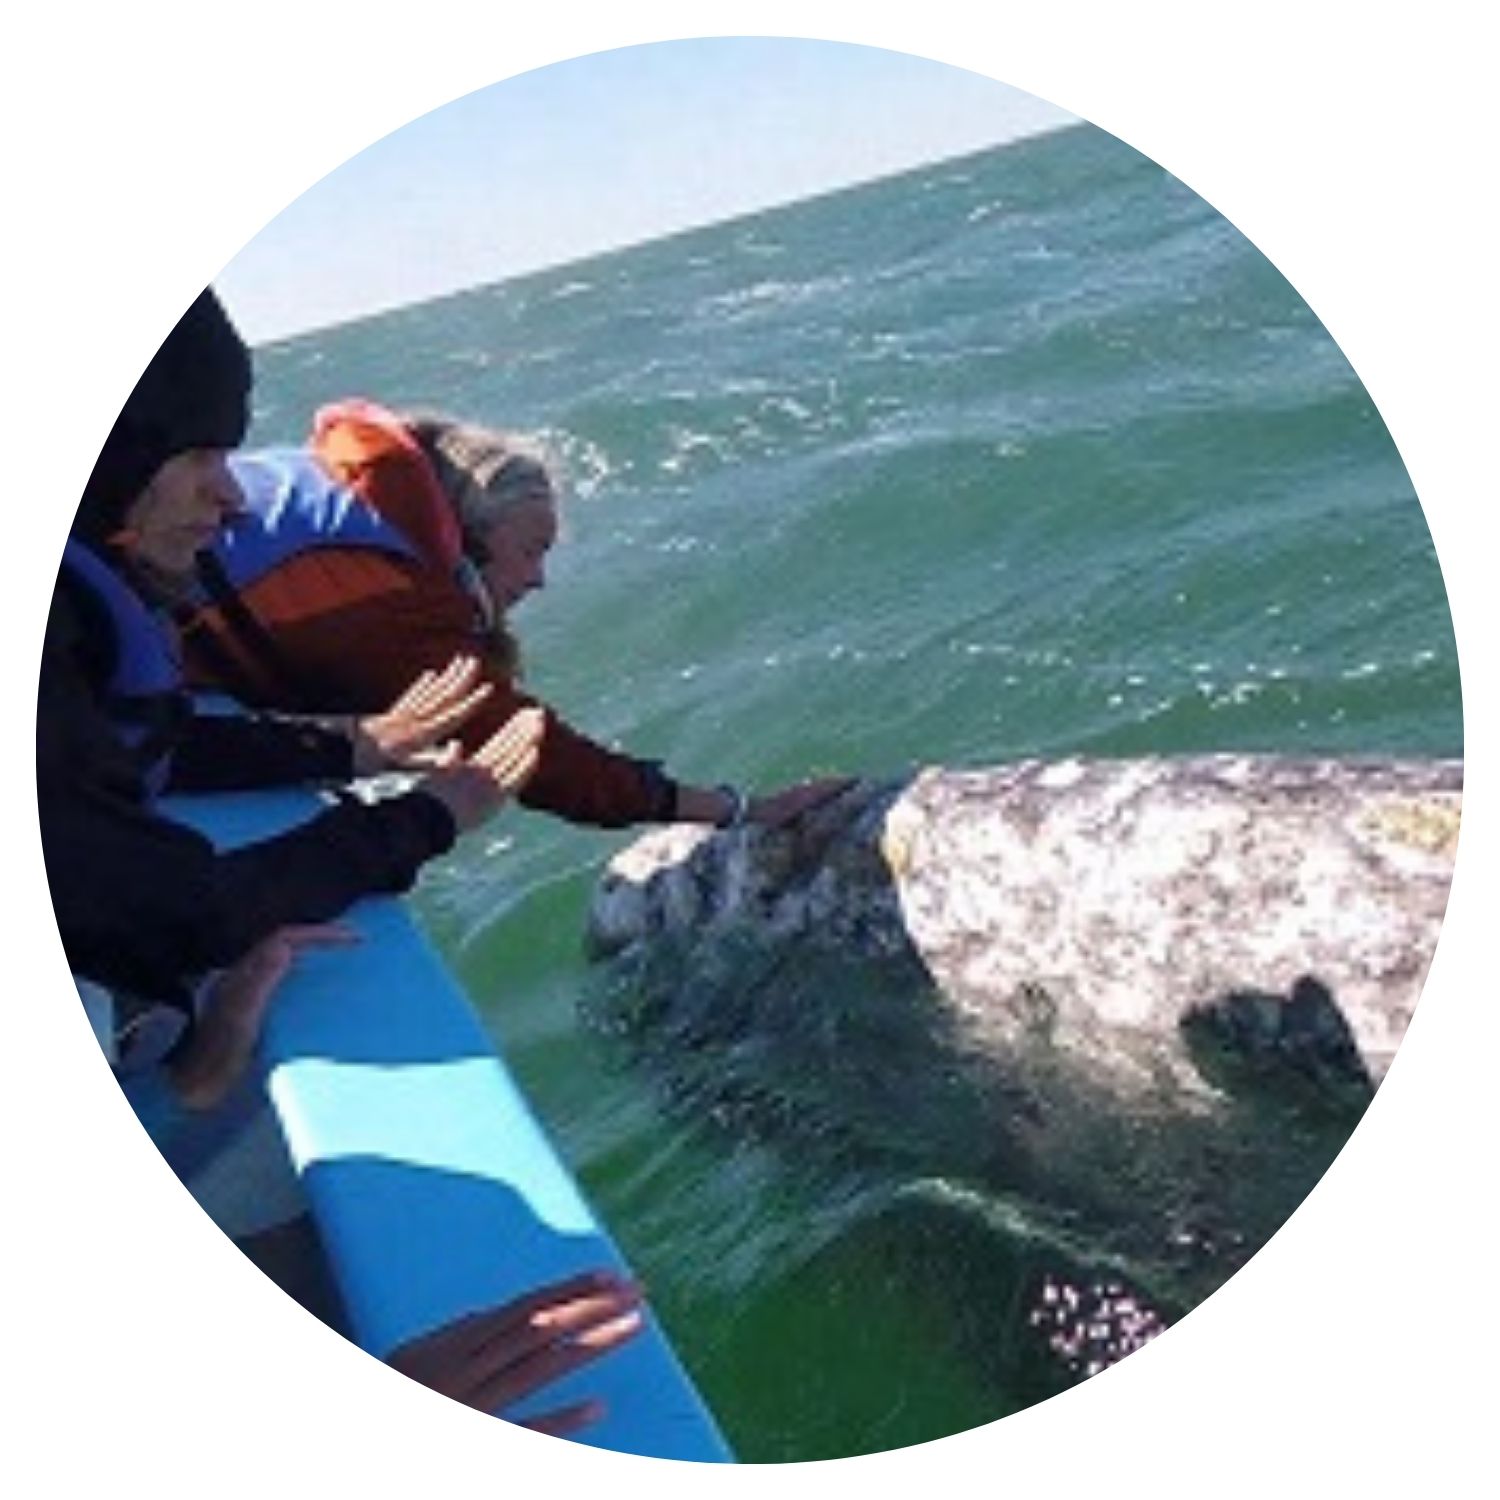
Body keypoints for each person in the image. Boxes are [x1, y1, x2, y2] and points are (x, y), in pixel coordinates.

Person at [177, 398, 848, 834]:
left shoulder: (343, 492)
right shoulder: (391, 598)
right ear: (467, 532)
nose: (539, 579)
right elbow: (540, 758)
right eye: (530, 551)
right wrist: (741, 809)